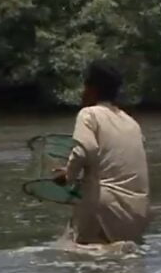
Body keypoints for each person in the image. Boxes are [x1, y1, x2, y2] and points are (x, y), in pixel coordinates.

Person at [53, 59, 150, 244]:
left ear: (92, 89)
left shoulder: (89, 114)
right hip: (137, 215)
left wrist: (68, 176)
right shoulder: (132, 123)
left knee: (83, 262)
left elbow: (84, 150)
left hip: (103, 208)